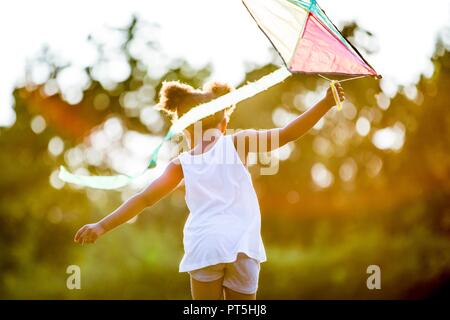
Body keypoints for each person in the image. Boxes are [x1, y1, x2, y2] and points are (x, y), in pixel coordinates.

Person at [74, 79, 345, 300]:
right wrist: (325, 103)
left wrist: (101, 226)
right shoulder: (238, 142)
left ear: (185, 129)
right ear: (223, 124)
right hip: (242, 245)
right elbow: (287, 134)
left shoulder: (181, 164)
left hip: (205, 246)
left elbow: (144, 199)